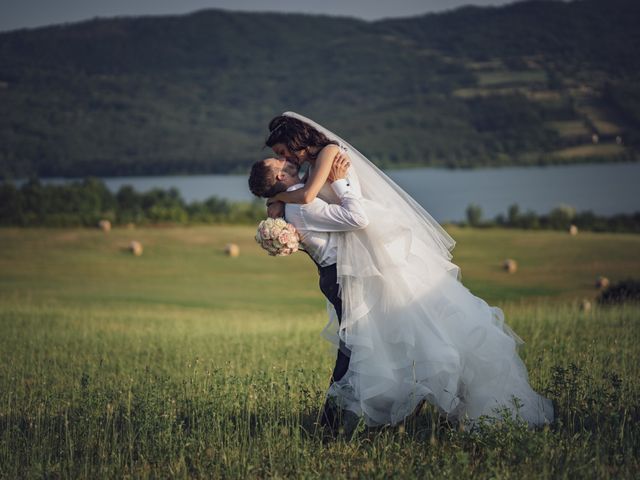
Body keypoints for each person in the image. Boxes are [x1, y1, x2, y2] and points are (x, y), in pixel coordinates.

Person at [259, 112, 554, 429]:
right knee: (391, 337)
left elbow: (308, 197)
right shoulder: (308, 167)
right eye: (278, 157)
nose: (282, 157)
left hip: (374, 257)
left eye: (281, 150)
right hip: (359, 262)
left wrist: (276, 196)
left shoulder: (328, 153)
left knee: (402, 334)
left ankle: (360, 417)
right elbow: (305, 196)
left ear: (294, 138)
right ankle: (389, 412)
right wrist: (276, 204)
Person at [248, 154, 368, 433]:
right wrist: (339, 183)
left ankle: (349, 418)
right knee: (354, 351)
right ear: (280, 177)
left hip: (336, 277)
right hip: (342, 279)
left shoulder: (294, 201)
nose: (285, 159)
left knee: (362, 347)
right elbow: (358, 218)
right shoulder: (303, 207)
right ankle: (331, 424)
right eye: (279, 161)